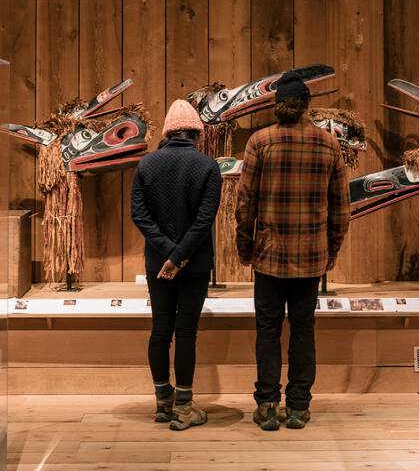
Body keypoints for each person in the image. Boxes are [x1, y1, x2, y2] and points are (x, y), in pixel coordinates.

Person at [235, 71, 350, 431]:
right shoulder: (328, 144)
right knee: (304, 329)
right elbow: (342, 208)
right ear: (306, 106)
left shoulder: (260, 141)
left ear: (276, 105)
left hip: (268, 257)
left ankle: (268, 404)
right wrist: (331, 251)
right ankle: (298, 407)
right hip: (311, 257)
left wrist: (245, 247)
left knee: (267, 329)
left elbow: (244, 204)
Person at [130, 99, 221, 431]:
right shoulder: (208, 167)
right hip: (193, 264)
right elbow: (203, 222)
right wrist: (180, 256)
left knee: (160, 330)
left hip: (158, 263)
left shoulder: (146, 165)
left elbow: (140, 216)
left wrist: (167, 255)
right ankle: (183, 407)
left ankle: (161, 402)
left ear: (168, 131)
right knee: (186, 333)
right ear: (197, 132)